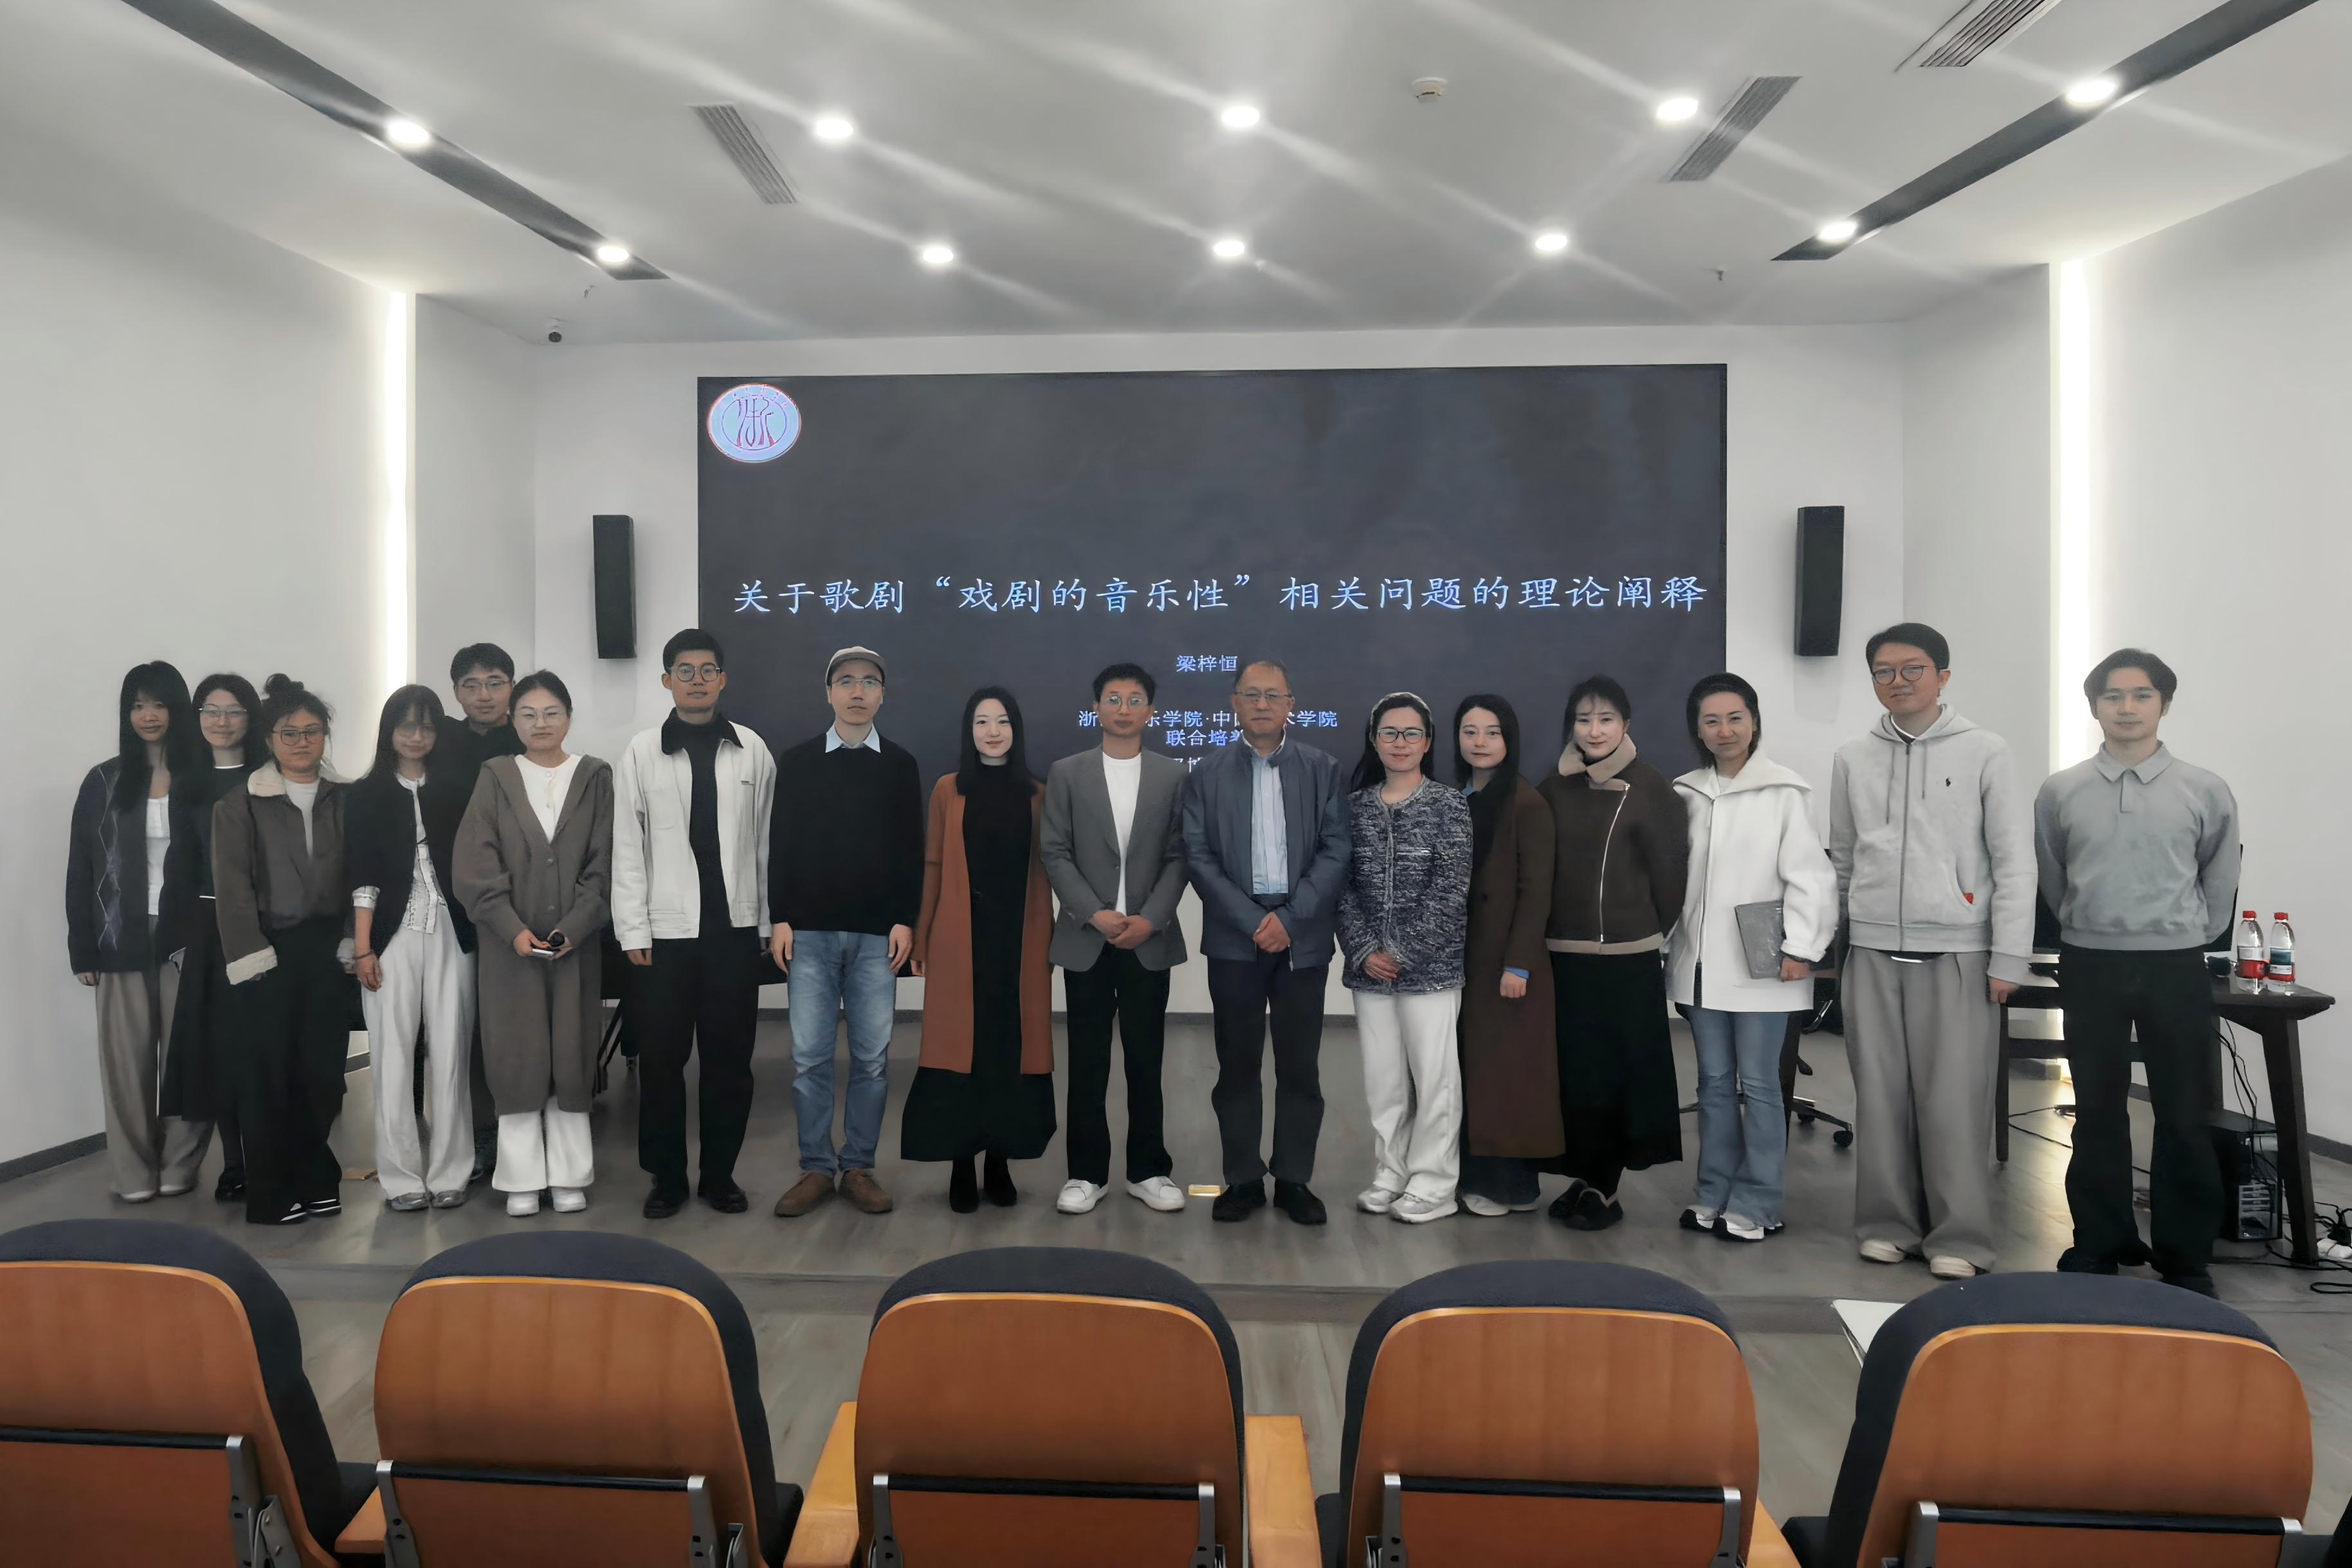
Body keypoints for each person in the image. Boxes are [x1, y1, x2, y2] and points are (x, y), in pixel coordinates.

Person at [1828, 623, 2033, 1279]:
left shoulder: (1985, 751)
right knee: (1879, 1097)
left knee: (1953, 1101)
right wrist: (1837, 941)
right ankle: (1886, 1224)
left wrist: (2009, 957)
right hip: (1872, 948)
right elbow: (1844, 857)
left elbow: (2013, 860)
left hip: (1958, 951)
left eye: (1912, 668)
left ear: (1942, 676)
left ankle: (1961, 1238)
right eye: (1883, 671)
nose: (1898, 681)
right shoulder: (1852, 757)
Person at [2036, 649, 2236, 1296]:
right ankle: (2099, 1242)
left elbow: (2219, 880)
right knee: (2096, 1108)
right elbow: (2054, 875)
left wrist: (2184, 934)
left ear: (2164, 705)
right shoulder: (2061, 790)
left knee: (2184, 1111)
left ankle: (2185, 1256)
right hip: (2089, 961)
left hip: (2175, 964)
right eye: (2113, 696)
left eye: (2142, 695)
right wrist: (2088, 926)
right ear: (2094, 706)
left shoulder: (2205, 788)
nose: (2127, 707)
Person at [1665, 674, 1837, 1244]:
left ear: (1754, 722)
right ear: (1697, 729)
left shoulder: (1784, 791)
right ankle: (1712, 1193)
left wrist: (1802, 948)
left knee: (1761, 1085)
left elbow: (1810, 877)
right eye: (1711, 721)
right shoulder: (1685, 793)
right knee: (1713, 1084)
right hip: (1699, 966)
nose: (1724, 731)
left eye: (1735, 718)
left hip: (1766, 964)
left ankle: (1760, 1201)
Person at [1180, 658, 1352, 1226]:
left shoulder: (1322, 768)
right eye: (1250, 694)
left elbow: (1336, 849)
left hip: (1302, 936)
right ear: (1234, 703)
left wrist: (1291, 919)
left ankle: (1295, 1180)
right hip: (1236, 936)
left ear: (1289, 705)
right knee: (1237, 1063)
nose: (1261, 704)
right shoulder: (1205, 773)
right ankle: (1243, 1180)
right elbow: (1198, 855)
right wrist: (1253, 920)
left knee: (1300, 1065)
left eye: (1272, 695)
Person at [613, 630, 775, 1219]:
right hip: (665, 937)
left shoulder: (752, 749)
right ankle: (666, 1179)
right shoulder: (641, 752)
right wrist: (632, 929)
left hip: (733, 932)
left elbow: (765, 843)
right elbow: (627, 846)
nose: (697, 680)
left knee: (729, 1062)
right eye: (685, 671)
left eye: (708, 670)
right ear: (667, 681)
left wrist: (766, 919)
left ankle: (719, 1176)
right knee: (661, 1062)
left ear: (723, 679)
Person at [767, 646, 924, 1220]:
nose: (858, 692)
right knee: (809, 1059)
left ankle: (858, 1167)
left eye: (869, 682)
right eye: (847, 681)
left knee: (871, 1061)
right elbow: (781, 842)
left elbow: (911, 848)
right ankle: (815, 1167)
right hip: (808, 932)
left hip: (877, 937)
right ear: (828, 692)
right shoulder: (798, 761)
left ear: (883, 695)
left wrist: (905, 918)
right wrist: (780, 916)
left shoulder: (900, 764)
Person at [456, 671, 614, 1217]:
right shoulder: (496, 776)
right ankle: (520, 1177)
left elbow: (605, 861)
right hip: (510, 949)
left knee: (571, 1054)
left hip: (575, 946)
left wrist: (576, 926)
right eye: (528, 714)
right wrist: (510, 927)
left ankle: (570, 1175)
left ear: (568, 718)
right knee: (516, 1056)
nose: (540, 724)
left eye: (551, 713)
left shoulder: (594, 777)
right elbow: (475, 863)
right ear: (512, 720)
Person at [1039, 663, 1191, 1216]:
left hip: (1148, 939)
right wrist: (1094, 914)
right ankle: (1086, 1173)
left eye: (1134, 699)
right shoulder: (1068, 772)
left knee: (1146, 1061)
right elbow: (1054, 850)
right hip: (1088, 939)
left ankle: (1148, 1170)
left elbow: (1180, 854)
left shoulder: (1173, 775)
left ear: (1150, 711)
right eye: (1112, 698)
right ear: (1096, 708)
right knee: (1086, 1062)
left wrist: (1150, 919)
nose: (1123, 709)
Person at [1538, 675, 1688, 1231]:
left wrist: (1638, 930)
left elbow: (1670, 882)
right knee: (1575, 1076)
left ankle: (1605, 1187)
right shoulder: (1553, 788)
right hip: (1562, 953)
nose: (1593, 730)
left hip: (1624, 958)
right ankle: (1583, 1177)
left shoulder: (1651, 789)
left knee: (1615, 1076)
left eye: (1605, 719)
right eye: (1583, 720)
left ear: (1625, 724)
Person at [904, 688, 1059, 1210]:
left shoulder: (1038, 794)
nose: (992, 732)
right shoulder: (948, 790)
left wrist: (1049, 940)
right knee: (959, 1053)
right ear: (968, 732)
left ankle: (998, 1161)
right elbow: (932, 865)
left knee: (1006, 1051)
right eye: (981, 722)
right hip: (959, 940)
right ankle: (960, 1164)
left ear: (1016, 729)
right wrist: (922, 934)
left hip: (1018, 942)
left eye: (1002, 721)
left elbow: (1047, 872)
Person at [68, 662, 210, 1203]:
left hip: (187, 936)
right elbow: (81, 867)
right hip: (118, 937)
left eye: (158, 704)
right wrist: (82, 948)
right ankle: (132, 1172)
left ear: (177, 710)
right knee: (126, 1062)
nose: (148, 715)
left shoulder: (202, 779)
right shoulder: (103, 781)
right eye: (137, 705)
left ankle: (180, 1164)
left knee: (187, 1056)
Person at [213, 676, 353, 1226]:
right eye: (289, 733)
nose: (301, 742)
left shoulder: (346, 799)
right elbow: (233, 889)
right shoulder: (240, 804)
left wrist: (353, 938)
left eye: (312, 731)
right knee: (271, 1077)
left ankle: (316, 1177)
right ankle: (272, 1193)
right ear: (269, 739)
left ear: (325, 736)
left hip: (328, 951)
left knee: (323, 1074)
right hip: (268, 953)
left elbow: (361, 875)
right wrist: (251, 954)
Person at [1339, 694, 1473, 1224]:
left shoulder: (1448, 805)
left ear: (1428, 742)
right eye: (1389, 733)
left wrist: (1399, 951)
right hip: (1368, 972)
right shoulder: (1354, 807)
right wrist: (1363, 949)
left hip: (1431, 971)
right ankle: (1390, 1173)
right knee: (1384, 1082)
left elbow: (1450, 891)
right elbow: (1342, 889)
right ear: (1374, 741)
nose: (1400, 743)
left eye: (1411, 733)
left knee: (1436, 1080)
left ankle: (1434, 1184)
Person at [346, 685, 475, 1211]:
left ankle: (451, 1172)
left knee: (451, 1053)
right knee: (392, 1057)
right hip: (388, 936)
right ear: (389, 732)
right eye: (406, 726)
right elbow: (361, 874)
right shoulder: (365, 794)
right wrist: (362, 948)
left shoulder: (458, 790)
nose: (416, 736)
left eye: (426, 726)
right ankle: (400, 1179)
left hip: (454, 932)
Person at [1450, 695, 1560, 1217]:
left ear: (1509, 739)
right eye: (1469, 731)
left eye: (1491, 732)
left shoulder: (1525, 802)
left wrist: (1518, 964)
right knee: (1476, 1071)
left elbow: (1537, 892)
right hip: (1466, 961)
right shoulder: (1457, 799)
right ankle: (1477, 1178)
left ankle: (1509, 1187)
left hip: (1508, 965)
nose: (1479, 742)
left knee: (1509, 1075)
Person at [159, 672, 265, 1202]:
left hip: (264, 923)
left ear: (250, 717)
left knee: (261, 1047)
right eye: (210, 711)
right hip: (206, 925)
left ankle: (269, 1157)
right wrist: (178, 940)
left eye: (233, 711)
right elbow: (180, 864)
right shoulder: (189, 783)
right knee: (221, 1050)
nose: (221, 722)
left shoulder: (268, 776)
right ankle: (235, 1164)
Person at [438, 643, 525, 1185]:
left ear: (512, 686)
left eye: (495, 682)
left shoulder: (531, 737)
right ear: (455, 692)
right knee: (465, 1025)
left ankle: (527, 1129)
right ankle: (479, 1132)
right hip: (452, 903)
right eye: (471, 685)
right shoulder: (440, 744)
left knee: (515, 1022)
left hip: (521, 904)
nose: (484, 695)